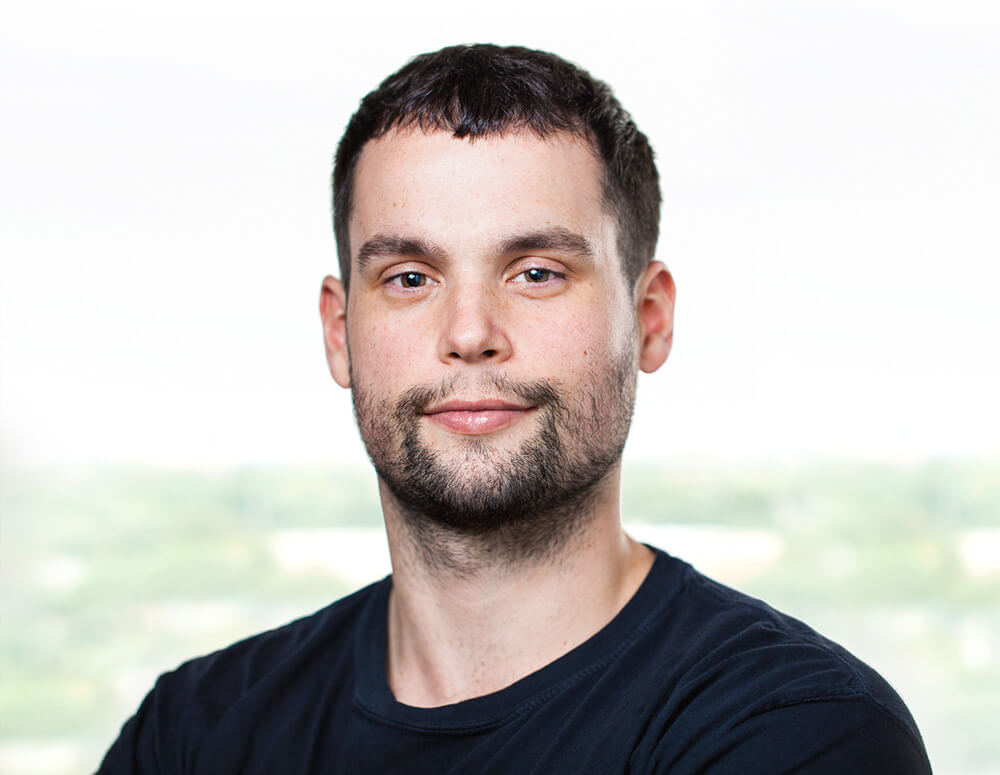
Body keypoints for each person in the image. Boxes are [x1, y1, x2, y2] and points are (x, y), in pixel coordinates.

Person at [98, 44, 932, 774]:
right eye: (410, 278)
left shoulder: (798, 730)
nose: (469, 333)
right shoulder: (196, 734)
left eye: (536, 272)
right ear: (340, 332)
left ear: (650, 319)